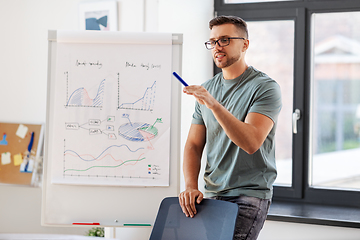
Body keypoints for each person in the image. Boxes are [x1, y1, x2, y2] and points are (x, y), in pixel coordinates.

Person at [178, 15, 282, 240]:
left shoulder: (265, 88)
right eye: (213, 41)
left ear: (244, 44)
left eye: (224, 40)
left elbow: (251, 142)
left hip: (248, 196)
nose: (217, 46)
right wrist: (190, 185)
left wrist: (214, 104)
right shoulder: (207, 89)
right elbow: (194, 145)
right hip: (211, 195)